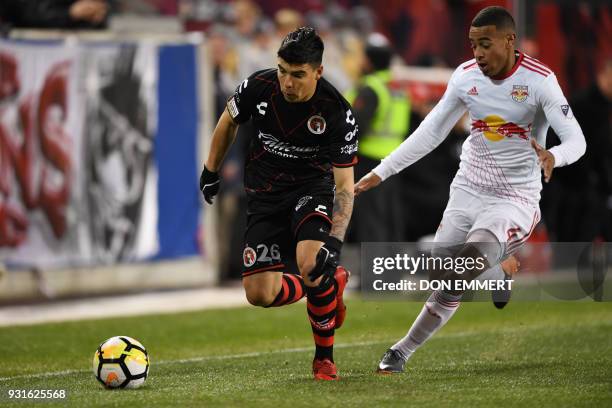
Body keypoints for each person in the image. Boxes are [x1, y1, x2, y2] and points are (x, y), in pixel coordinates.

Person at [354, 6, 586, 373]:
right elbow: (431, 132)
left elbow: (577, 140)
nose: (477, 53)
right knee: (441, 274)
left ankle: (401, 352)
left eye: (486, 44)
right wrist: (382, 172)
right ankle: (501, 271)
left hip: (513, 198)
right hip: (467, 189)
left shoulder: (540, 80)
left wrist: (554, 157)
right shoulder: (464, 77)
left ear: (510, 41)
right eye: (473, 44)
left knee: (462, 267)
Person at [200, 27, 358, 381]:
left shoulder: (336, 111)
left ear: (318, 71)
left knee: (311, 261)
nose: (287, 82)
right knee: (260, 294)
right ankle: (330, 283)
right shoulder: (258, 86)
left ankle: (324, 359)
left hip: (311, 190)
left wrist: (334, 242)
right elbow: (228, 122)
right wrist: (210, 169)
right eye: (283, 70)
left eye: (298, 74)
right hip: (265, 194)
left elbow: (345, 186)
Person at [346, 33, 410, 242]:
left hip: (370, 162)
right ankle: (390, 272)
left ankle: (375, 274)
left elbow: (356, 126)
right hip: (395, 160)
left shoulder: (371, 89)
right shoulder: (397, 88)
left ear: (369, 60)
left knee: (372, 219)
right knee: (391, 218)